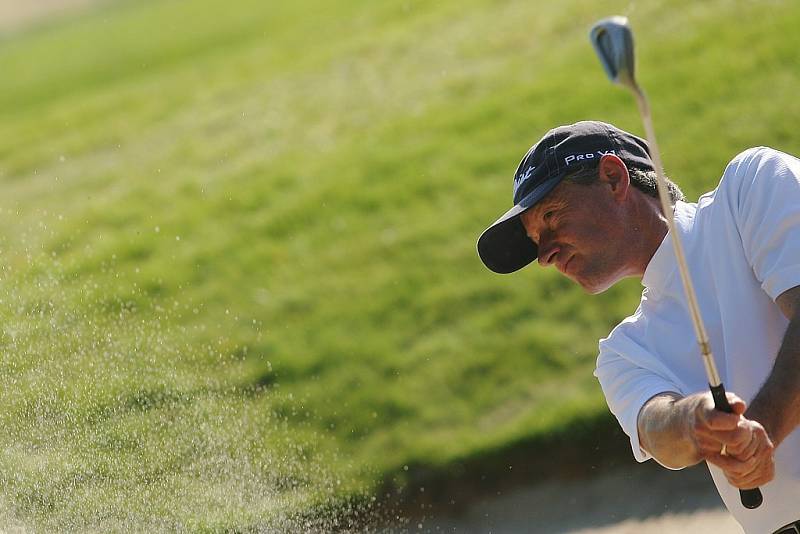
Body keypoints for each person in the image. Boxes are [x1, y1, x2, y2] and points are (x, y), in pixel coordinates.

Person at [476, 120, 800, 534]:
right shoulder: (623, 351)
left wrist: (763, 430)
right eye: (537, 240)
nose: (545, 255)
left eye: (552, 217)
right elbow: (656, 428)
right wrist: (693, 420)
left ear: (614, 178)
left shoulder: (750, 186)